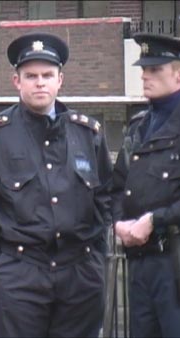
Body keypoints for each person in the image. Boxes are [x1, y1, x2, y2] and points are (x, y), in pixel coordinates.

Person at [0, 32, 113, 337]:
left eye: (47, 75)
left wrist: (97, 256)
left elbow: (106, 197)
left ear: (60, 80)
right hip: (18, 272)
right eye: (31, 76)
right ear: (16, 81)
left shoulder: (88, 134)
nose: (40, 82)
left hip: (80, 273)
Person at [112, 33, 180, 337]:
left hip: (175, 260)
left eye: (155, 70)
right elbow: (116, 185)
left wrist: (155, 219)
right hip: (140, 259)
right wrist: (118, 223)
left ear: (178, 74)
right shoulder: (139, 125)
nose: (145, 76)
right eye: (144, 69)